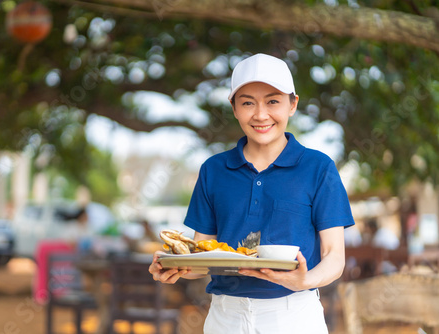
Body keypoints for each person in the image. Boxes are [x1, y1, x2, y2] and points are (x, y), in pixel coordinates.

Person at [149, 53, 354, 333]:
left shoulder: (318, 168)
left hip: (294, 315)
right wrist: (175, 268)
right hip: (225, 317)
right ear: (234, 108)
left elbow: (334, 257)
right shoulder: (213, 170)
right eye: (247, 103)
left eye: (273, 101)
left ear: (292, 104)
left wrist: (304, 281)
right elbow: (204, 255)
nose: (260, 114)